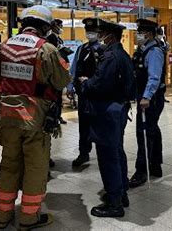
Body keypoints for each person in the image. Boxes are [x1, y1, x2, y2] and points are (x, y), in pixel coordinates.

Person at [0, 5, 71, 230]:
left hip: (7, 115)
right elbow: (62, 80)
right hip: (34, 117)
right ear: (45, 27)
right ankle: (29, 217)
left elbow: (0, 76)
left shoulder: (3, 46)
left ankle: (2, 215)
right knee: (35, 168)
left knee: (8, 164)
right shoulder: (46, 49)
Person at [79, 19, 136, 218]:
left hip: (107, 112)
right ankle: (122, 193)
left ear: (109, 37)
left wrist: (85, 83)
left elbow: (99, 85)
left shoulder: (111, 57)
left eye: (101, 34)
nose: (99, 37)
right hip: (119, 108)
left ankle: (114, 203)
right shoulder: (122, 55)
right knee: (117, 151)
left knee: (108, 156)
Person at [129, 19, 166, 189]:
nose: (138, 35)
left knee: (143, 132)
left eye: (140, 32)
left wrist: (147, 96)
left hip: (150, 98)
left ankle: (142, 171)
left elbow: (154, 77)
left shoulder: (155, 51)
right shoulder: (143, 50)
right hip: (146, 96)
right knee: (152, 129)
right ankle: (156, 163)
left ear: (149, 34)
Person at [67, 18, 104, 168]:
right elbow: (74, 68)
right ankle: (84, 152)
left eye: (93, 32)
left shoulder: (103, 49)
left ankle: (103, 153)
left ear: (99, 33)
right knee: (84, 124)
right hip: (83, 93)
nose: (90, 34)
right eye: (88, 31)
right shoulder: (82, 49)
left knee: (100, 124)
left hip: (99, 94)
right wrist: (70, 86)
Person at [46, 19, 68, 125]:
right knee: (55, 95)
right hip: (55, 70)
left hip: (60, 68)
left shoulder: (58, 38)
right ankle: (54, 116)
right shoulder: (51, 38)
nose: (61, 28)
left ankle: (58, 115)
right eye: (60, 25)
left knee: (59, 96)